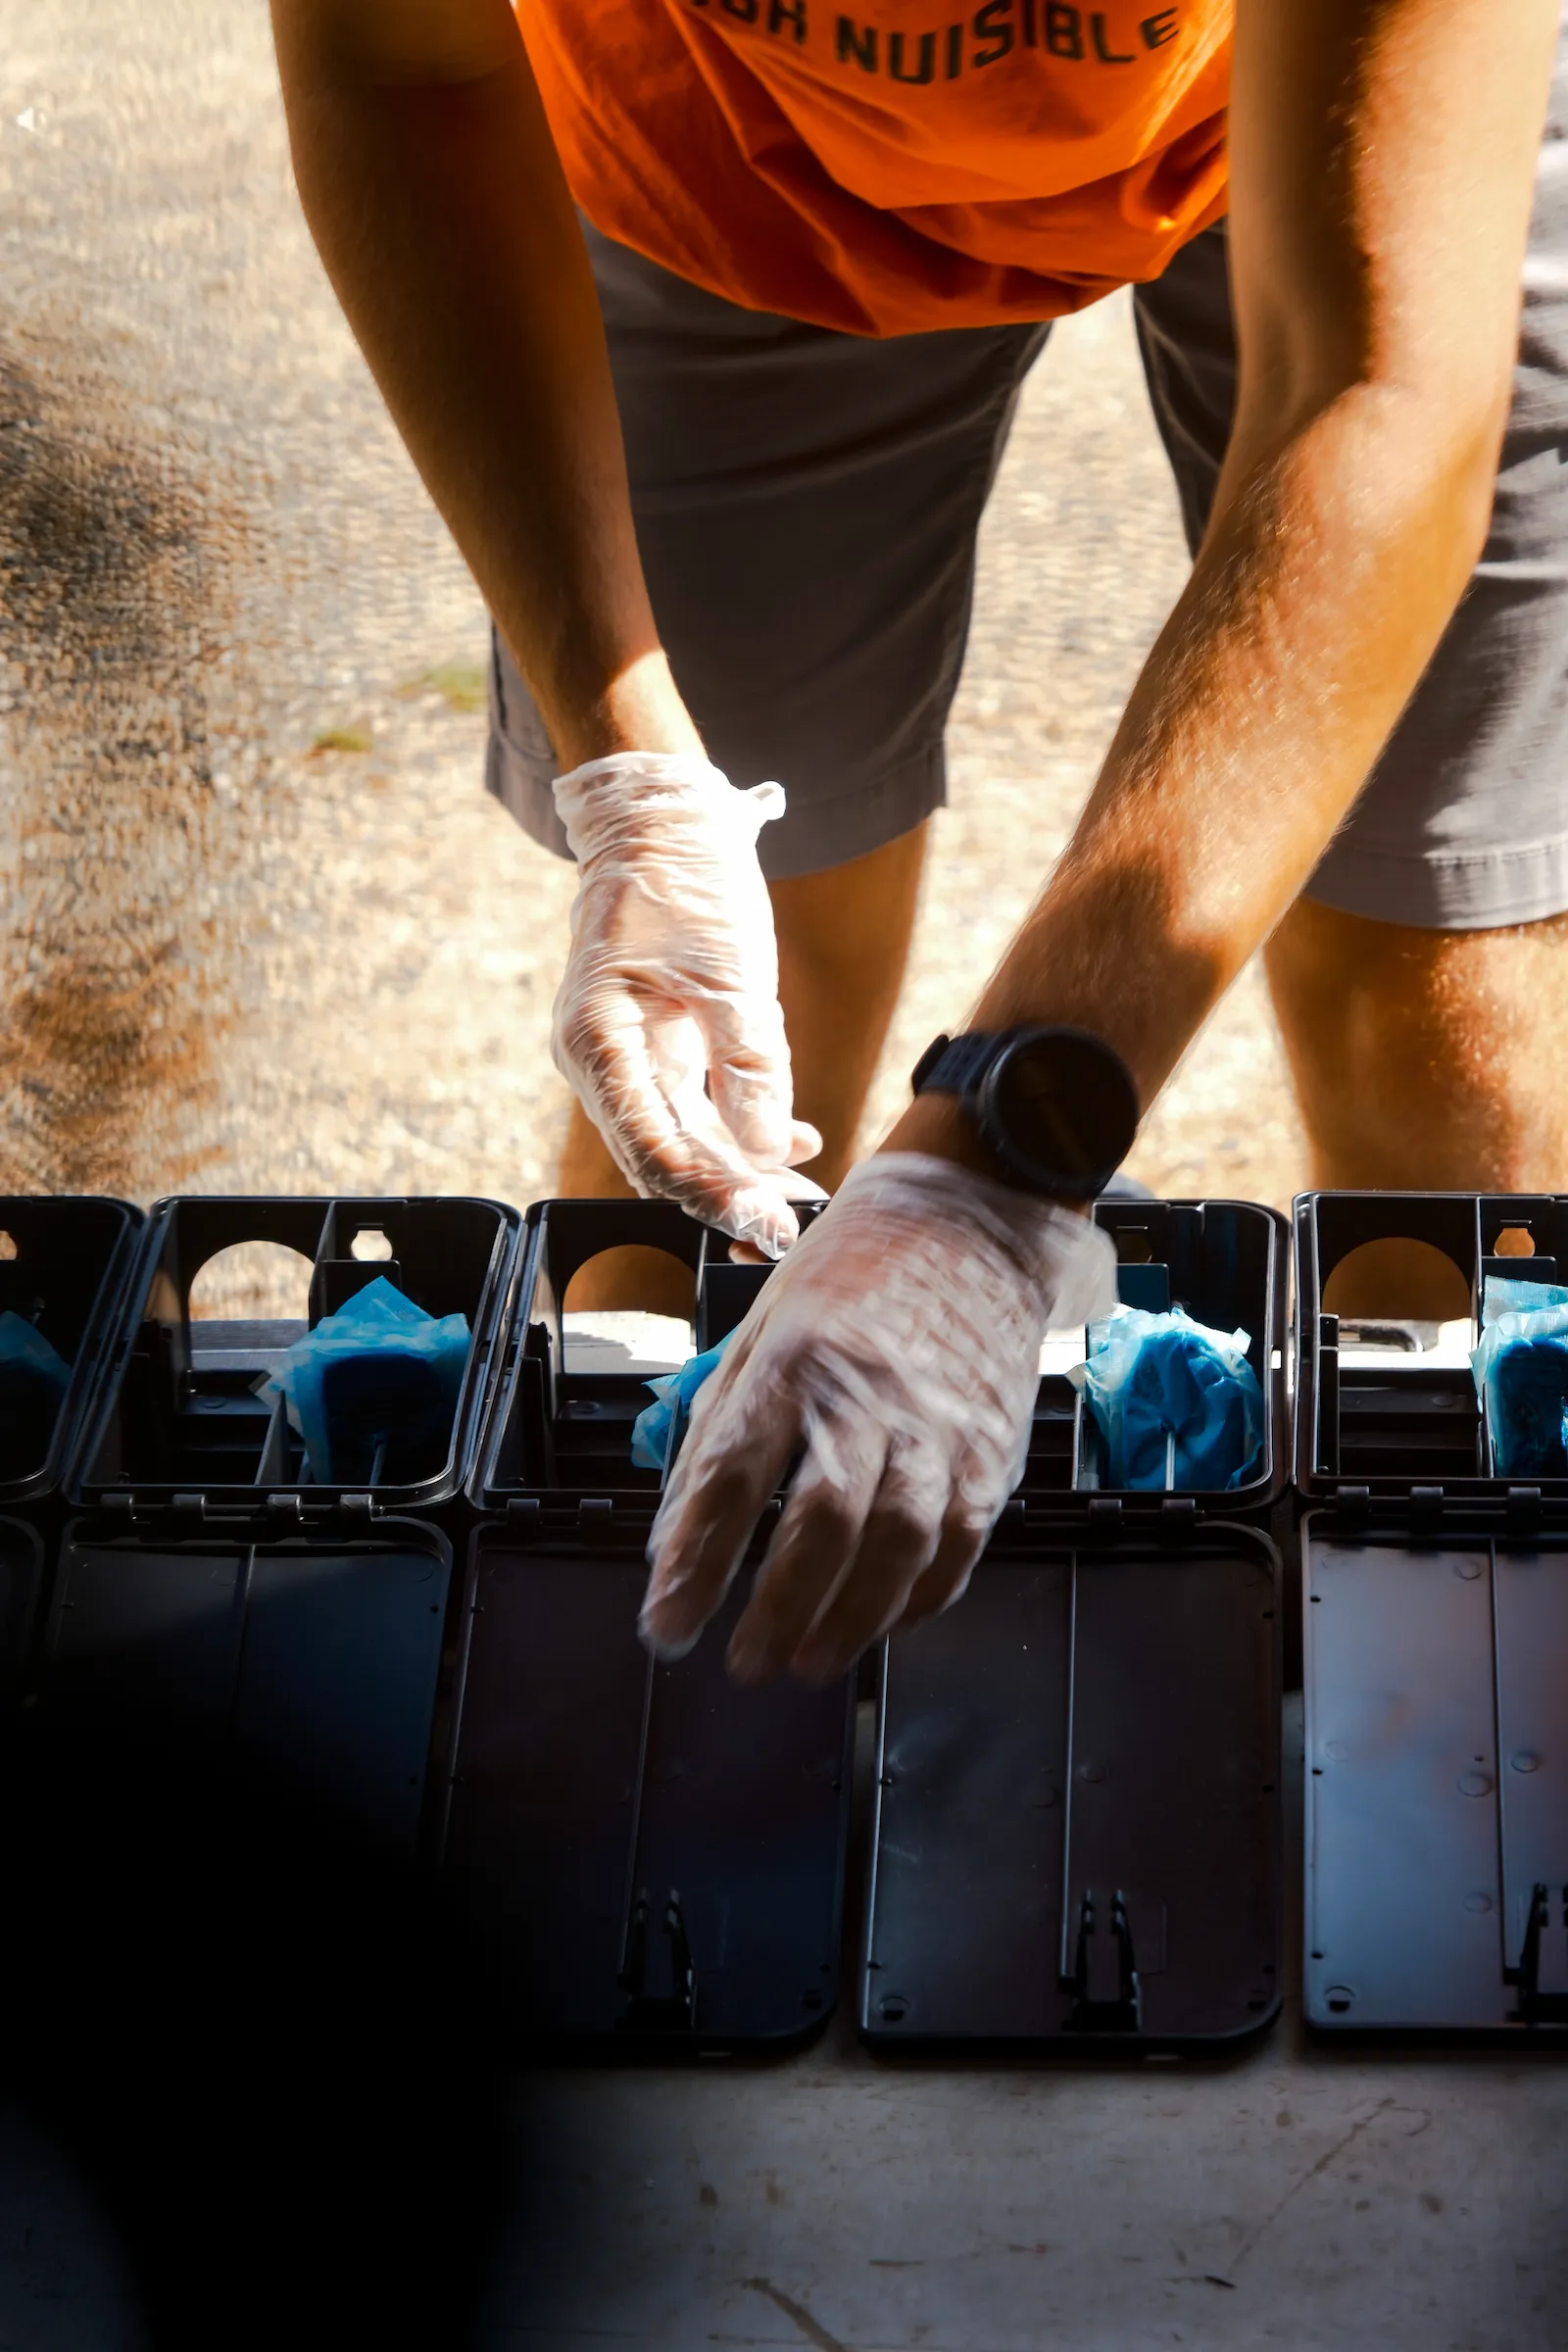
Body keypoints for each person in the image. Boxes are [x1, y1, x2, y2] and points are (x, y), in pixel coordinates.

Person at [273, 0, 1564, 1685]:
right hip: (731, 169)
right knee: (731, 1033)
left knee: (1437, 961)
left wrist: (986, 1166)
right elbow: (410, 66)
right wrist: (632, 778)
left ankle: (1456, 1684)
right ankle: (635, 1706)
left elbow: (1379, 386)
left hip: (1323, 109)